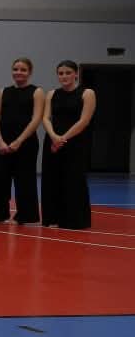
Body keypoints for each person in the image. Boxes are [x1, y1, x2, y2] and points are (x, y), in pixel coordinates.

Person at [41, 60, 96, 230]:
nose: (64, 76)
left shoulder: (87, 93)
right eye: (61, 73)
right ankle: (53, 218)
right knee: (53, 179)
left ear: (76, 74)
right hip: (53, 141)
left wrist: (63, 138)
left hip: (76, 143)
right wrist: (53, 136)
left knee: (74, 180)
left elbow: (84, 120)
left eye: (68, 73)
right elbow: (45, 118)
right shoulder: (52, 94)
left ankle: (74, 220)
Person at [0, 57, 46, 225]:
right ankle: (0, 214)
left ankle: (26, 215)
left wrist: (19, 141)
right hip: (4, 142)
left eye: (23, 70)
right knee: (1, 178)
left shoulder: (37, 91)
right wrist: (0, 141)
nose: (19, 72)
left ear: (29, 72)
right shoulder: (3, 91)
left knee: (25, 179)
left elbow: (36, 118)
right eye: (16, 69)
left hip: (26, 142)